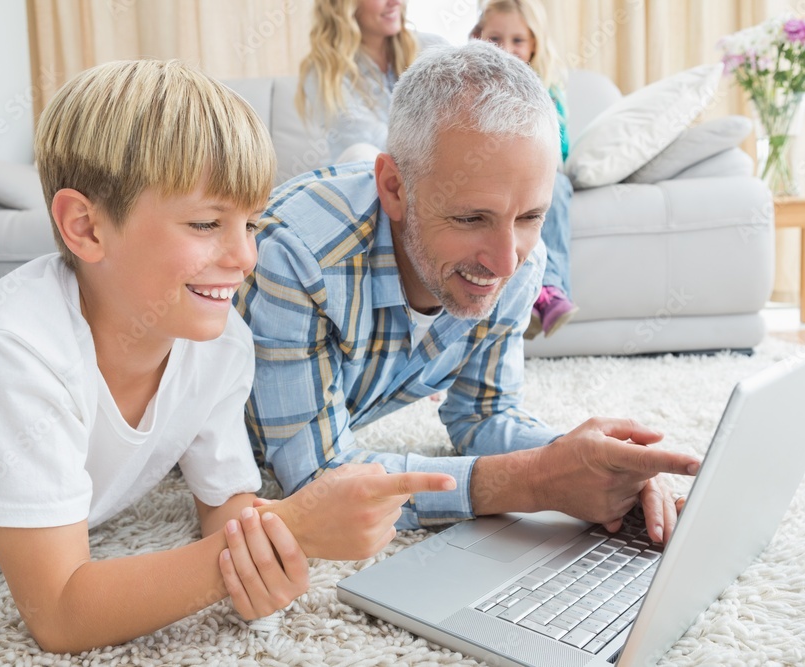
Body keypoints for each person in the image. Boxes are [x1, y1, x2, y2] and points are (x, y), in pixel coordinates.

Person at [0, 59, 453, 654]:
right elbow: (59, 613)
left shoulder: (220, 343)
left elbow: (225, 503)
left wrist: (258, 553)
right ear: (85, 227)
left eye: (253, 223)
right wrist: (294, 525)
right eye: (207, 223)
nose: (244, 258)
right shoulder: (9, 352)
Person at [238, 42, 700, 550]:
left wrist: (593, 465)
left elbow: (483, 413)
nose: (505, 263)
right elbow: (318, 482)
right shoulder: (299, 257)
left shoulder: (523, 260)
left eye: (529, 217)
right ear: (393, 187)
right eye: (471, 218)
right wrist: (534, 480)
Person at [471, 0, 577, 338]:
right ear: (478, 39)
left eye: (518, 40)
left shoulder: (547, 89)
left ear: (533, 44)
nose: (506, 49)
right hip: (492, 174)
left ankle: (549, 291)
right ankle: (518, 299)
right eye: (495, 39)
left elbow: (560, 147)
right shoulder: (472, 87)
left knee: (557, 189)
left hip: (537, 174)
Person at [296, 0, 446, 164]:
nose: (396, 2)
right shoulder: (324, 73)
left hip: (430, 171)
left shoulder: (432, 48)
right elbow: (375, 142)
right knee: (361, 152)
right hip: (367, 176)